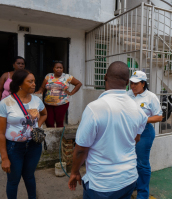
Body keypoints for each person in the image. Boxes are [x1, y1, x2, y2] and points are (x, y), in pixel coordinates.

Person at [68, 61, 148, 199]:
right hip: (129, 179)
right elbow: (136, 139)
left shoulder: (95, 108)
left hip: (102, 185)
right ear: (128, 82)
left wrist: (74, 171)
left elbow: (81, 149)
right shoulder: (138, 110)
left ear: (105, 77)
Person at [0, 69, 47, 199]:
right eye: (30, 81)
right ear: (19, 83)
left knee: (29, 176)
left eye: (34, 81)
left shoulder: (36, 100)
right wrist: (4, 158)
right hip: (14, 148)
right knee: (14, 180)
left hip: (34, 146)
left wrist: (37, 126)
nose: (34, 84)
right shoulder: (6, 103)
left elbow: (44, 114)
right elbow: (0, 133)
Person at [127, 71, 163, 199]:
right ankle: (135, 185)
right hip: (129, 132)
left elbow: (159, 116)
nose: (132, 86)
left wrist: (143, 119)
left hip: (144, 132)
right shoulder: (128, 95)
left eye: (136, 83)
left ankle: (142, 194)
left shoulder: (151, 97)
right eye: (131, 83)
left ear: (143, 83)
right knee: (132, 160)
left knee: (142, 163)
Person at [35, 61, 82, 127]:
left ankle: (60, 137)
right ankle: (51, 137)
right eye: (57, 68)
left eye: (61, 68)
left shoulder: (67, 77)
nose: (59, 69)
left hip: (62, 104)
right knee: (49, 122)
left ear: (63, 69)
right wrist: (40, 91)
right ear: (53, 68)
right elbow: (43, 87)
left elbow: (79, 84)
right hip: (48, 104)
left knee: (59, 122)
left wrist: (71, 93)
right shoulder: (48, 76)